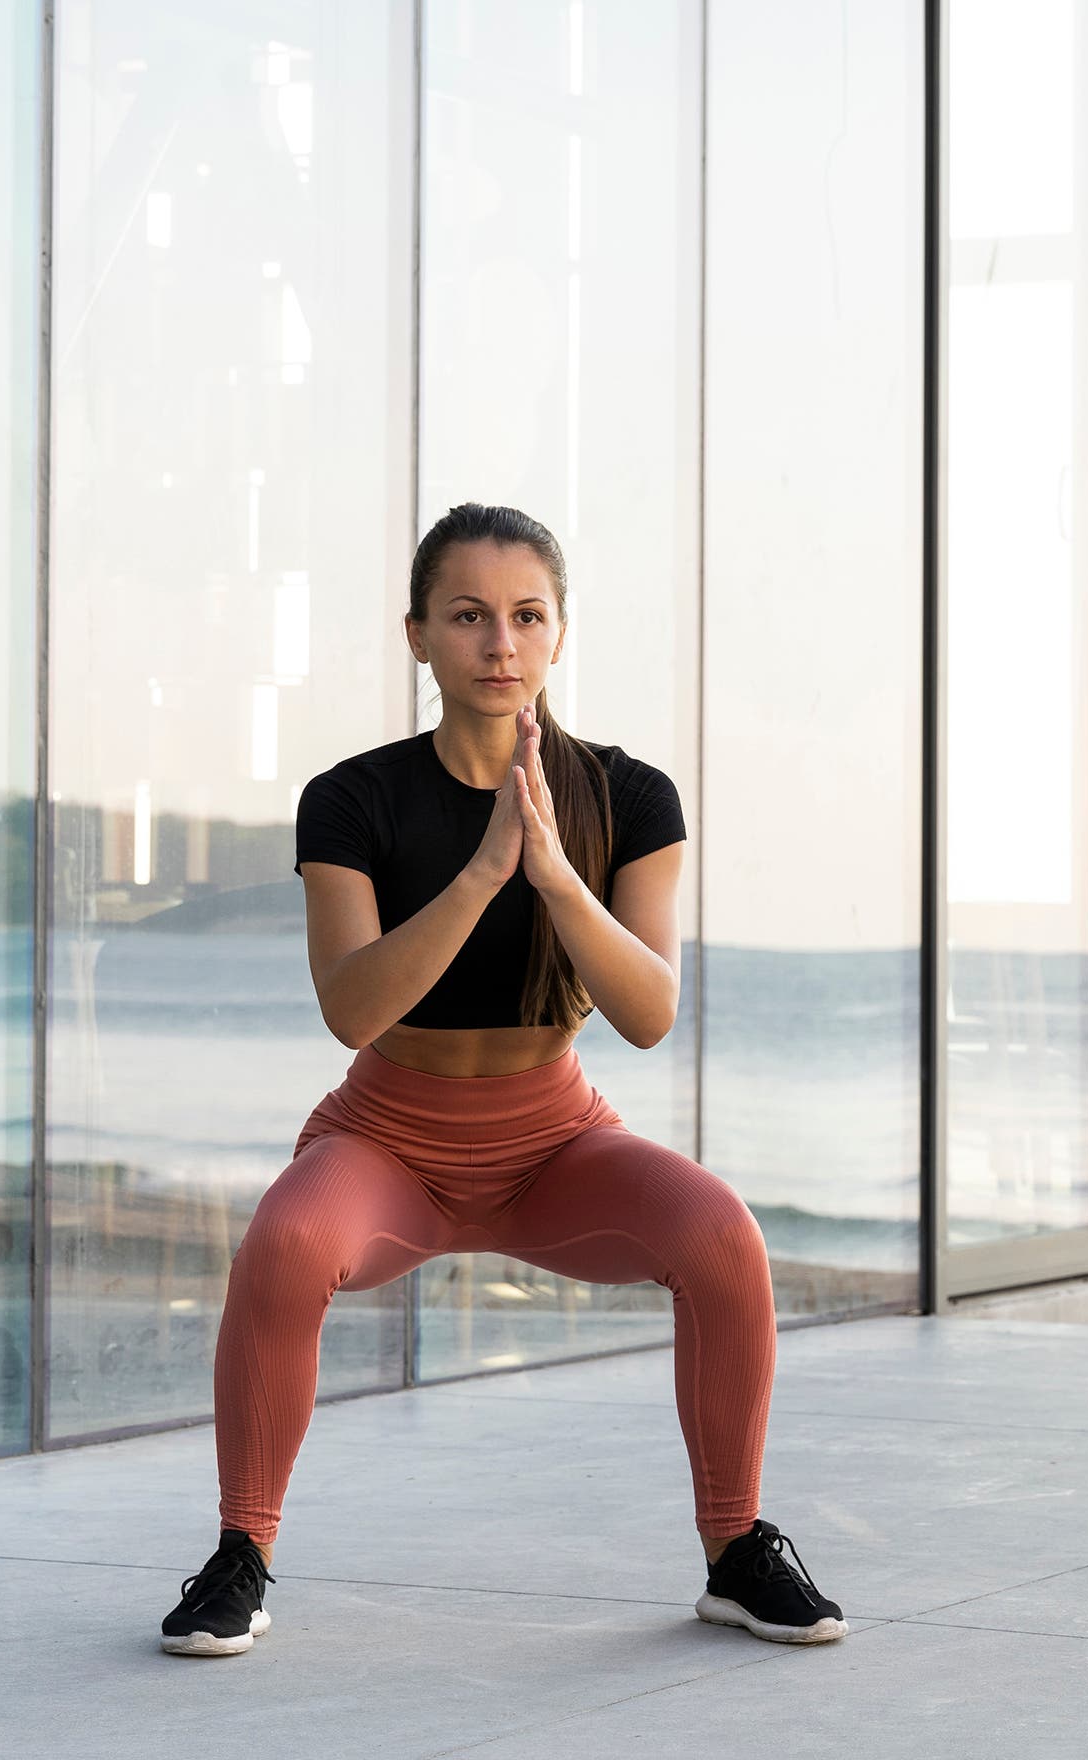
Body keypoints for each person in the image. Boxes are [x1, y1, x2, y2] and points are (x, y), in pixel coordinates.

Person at [159, 502, 845, 1657]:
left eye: (527, 616)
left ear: (560, 634)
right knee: (282, 1239)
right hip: (388, 1142)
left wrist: (556, 877)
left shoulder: (629, 797)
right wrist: (482, 873)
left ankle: (734, 1550)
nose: (500, 644)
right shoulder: (352, 798)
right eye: (468, 615)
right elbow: (352, 1008)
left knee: (723, 1232)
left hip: (552, 1142)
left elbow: (647, 1012)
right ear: (417, 632)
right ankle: (240, 1552)